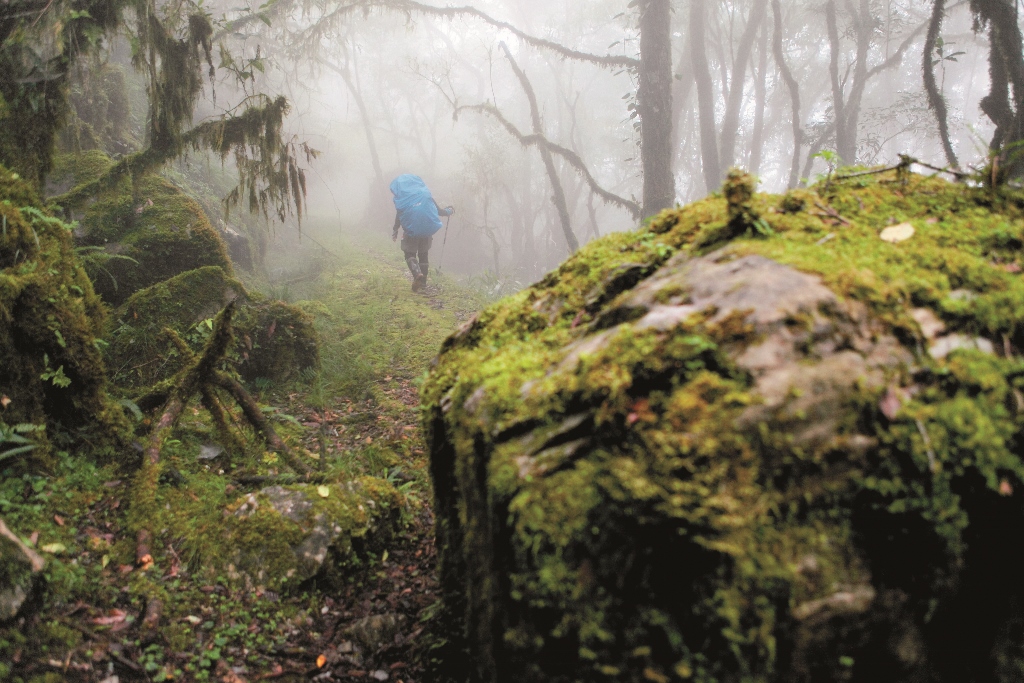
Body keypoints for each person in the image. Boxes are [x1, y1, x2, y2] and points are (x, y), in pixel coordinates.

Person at [389, 174, 454, 292]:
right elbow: (439, 211)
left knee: (409, 254)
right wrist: (449, 211)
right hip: (427, 230)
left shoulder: (403, 199)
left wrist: (395, 230)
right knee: (423, 255)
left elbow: (399, 216)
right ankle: (423, 283)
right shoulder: (425, 194)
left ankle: (417, 273)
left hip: (411, 231)